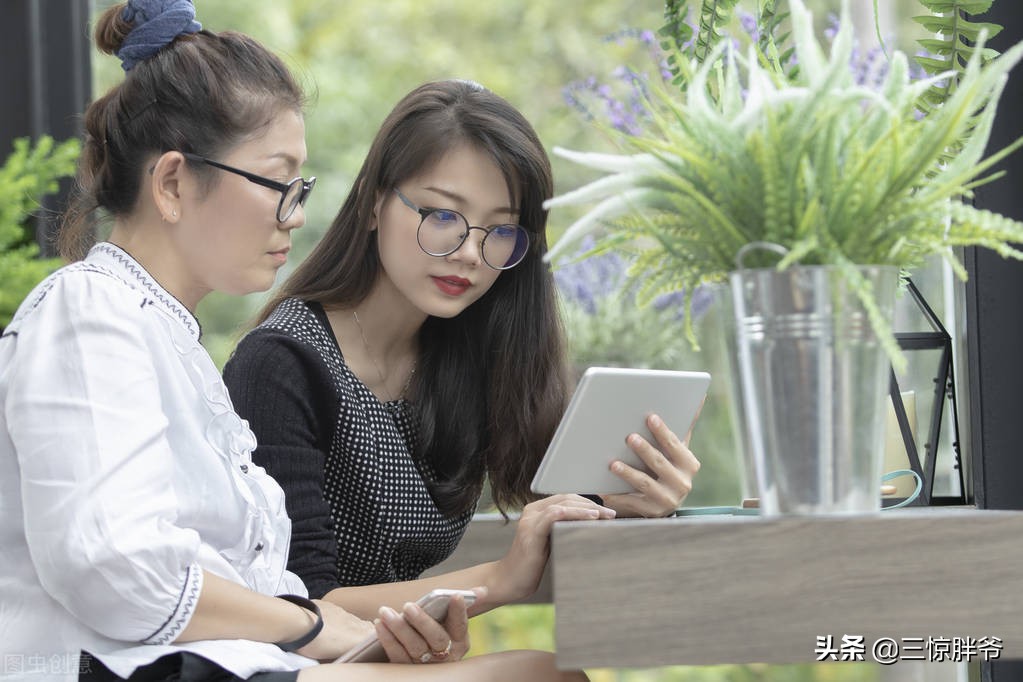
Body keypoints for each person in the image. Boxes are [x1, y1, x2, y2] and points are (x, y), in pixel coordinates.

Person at [0, 3, 587, 681]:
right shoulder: (89, 311)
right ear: (172, 182)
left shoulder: (172, 346)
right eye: (278, 182)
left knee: (542, 671)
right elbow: (112, 564)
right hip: (124, 670)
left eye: (298, 186)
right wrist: (309, 623)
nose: (298, 213)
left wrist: (337, 631)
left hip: (224, 664)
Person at [221, 79, 702, 619]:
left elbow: (548, 497)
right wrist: (498, 579)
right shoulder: (281, 365)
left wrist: (625, 498)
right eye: (443, 216)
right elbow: (301, 605)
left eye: (500, 231)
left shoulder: (464, 351)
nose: (471, 252)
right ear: (375, 202)